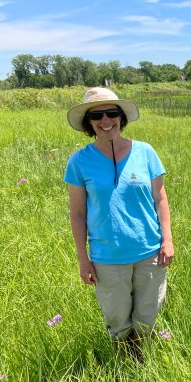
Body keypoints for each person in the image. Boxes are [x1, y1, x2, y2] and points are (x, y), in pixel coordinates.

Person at [64, 87, 174, 362]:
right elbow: (77, 213)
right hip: (107, 258)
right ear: (89, 123)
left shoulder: (145, 152)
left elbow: (160, 197)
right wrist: (83, 259)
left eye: (112, 113)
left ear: (121, 117)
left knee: (147, 317)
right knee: (117, 320)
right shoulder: (79, 162)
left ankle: (143, 365)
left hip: (150, 252)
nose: (105, 120)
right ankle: (124, 366)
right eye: (97, 115)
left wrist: (167, 240)